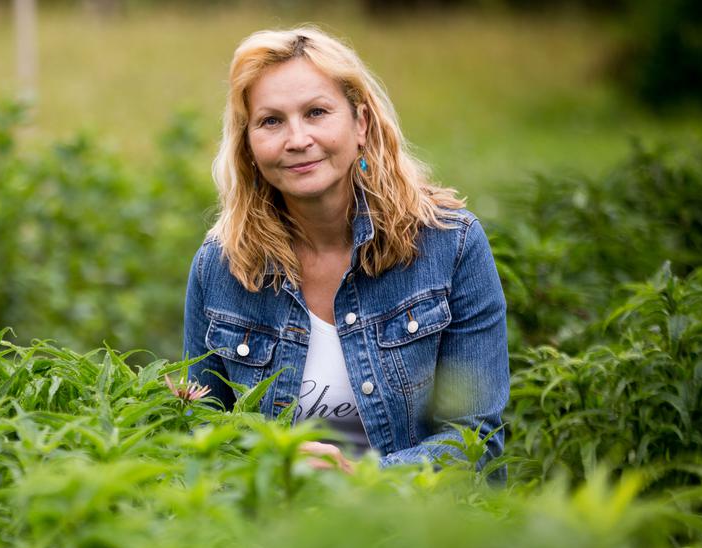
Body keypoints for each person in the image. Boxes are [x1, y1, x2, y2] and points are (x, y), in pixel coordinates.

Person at [183, 26, 509, 475]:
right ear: (250, 145)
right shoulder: (220, 267)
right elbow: (197, 433)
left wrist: (362, 478)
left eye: (316, 112)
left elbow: (477, 441)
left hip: (421, 530)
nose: (297, 139)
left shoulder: (450, 245)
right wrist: (266, 468)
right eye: (271, 121)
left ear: (360, 124)